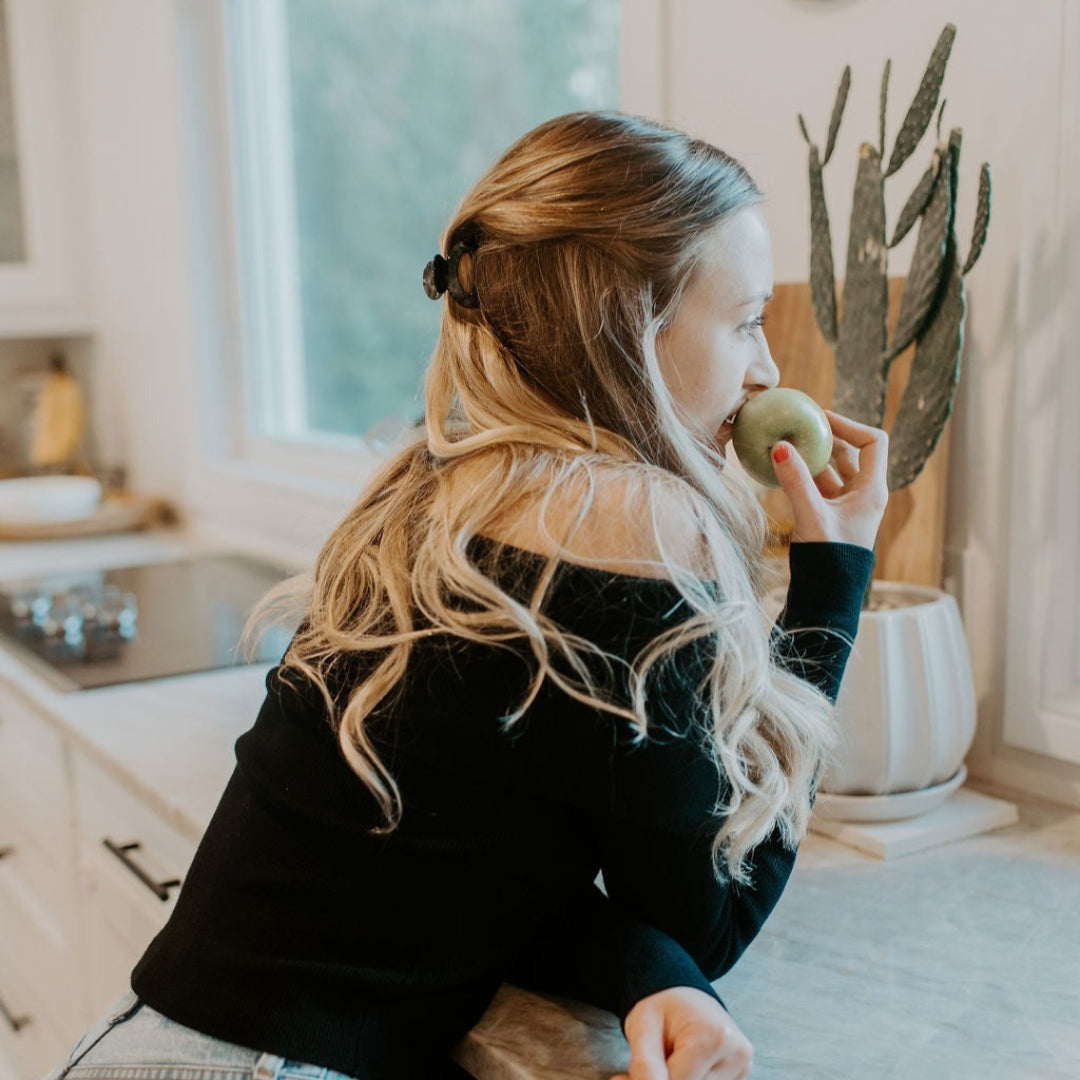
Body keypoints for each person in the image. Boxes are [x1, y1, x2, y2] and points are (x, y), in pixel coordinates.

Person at [43, 111, 886, 1080]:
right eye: (745, 321)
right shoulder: (641, 521)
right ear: (631, 329)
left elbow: (478, 865)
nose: (768, 368)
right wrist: (836, 574)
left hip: (151, 1044)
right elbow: (714, 917)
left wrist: (646, 971)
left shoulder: (436, 493)